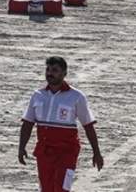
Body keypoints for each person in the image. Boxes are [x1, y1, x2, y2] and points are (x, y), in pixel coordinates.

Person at [18, 56, 103, 192]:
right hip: (44, 153)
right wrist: (21, 147)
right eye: (48, 70)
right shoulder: (37, 95)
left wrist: (96, 152)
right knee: (46, 189)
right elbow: (27, 124)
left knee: (62, 189)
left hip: (67, 153)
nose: (50, 73)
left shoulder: (76, 97)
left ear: (64, 73)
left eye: (55, 70)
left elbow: (88, 126)